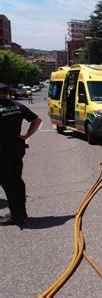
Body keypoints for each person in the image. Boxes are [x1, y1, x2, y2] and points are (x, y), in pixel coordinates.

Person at [0, 83, 42, 226]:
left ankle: (16, 215)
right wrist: (26, 136)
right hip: (16, 148)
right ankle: (21, 213)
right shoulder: (17, 106)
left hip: (3, 151)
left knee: (9, 184)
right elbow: (37, 120)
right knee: (17, 181)